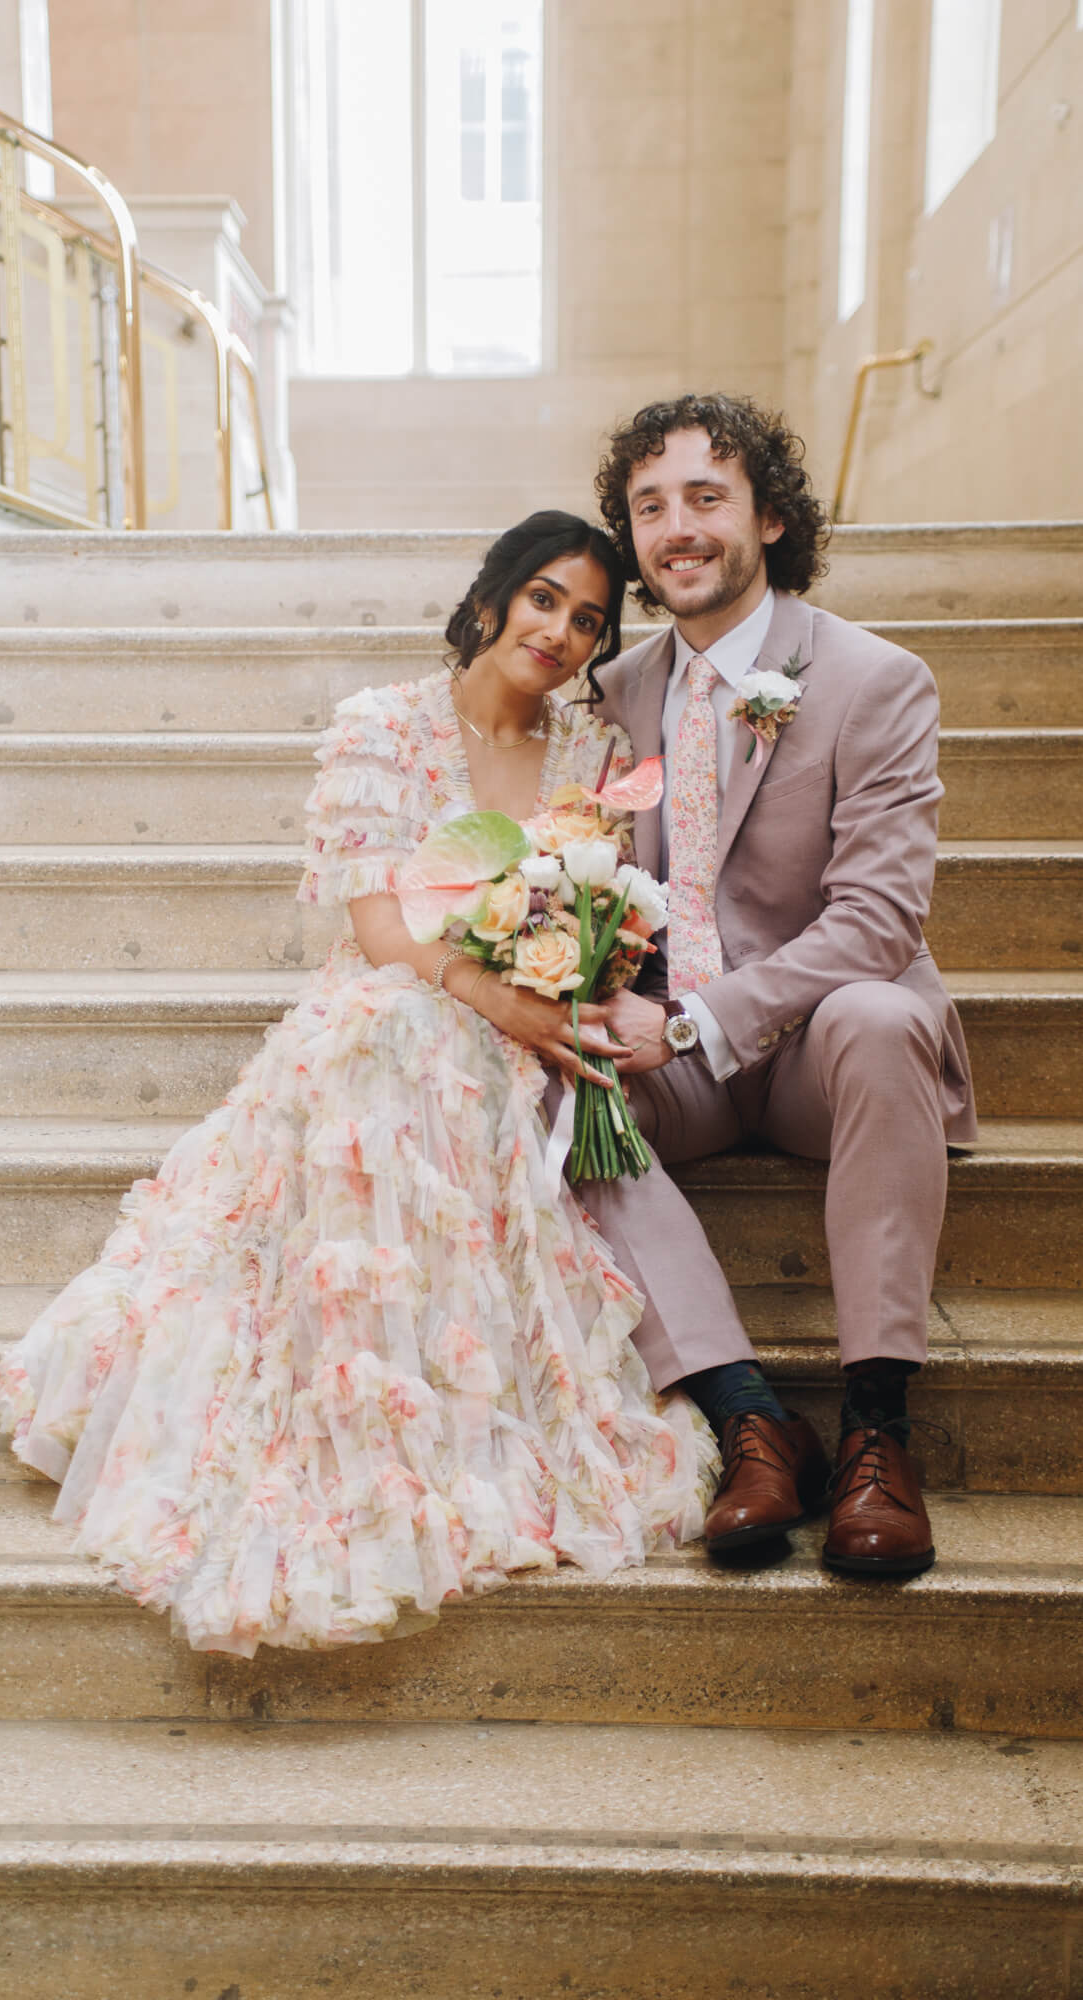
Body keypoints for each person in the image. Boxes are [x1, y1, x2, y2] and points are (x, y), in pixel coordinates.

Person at [0, 511, 717, 1657]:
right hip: (405, 993)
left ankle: (423, 1404)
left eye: (587, 619)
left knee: (414, 1047)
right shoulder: (383, 725)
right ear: (490, 599)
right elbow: (381, 929)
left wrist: (568, 968)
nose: (559, 632)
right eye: (541, 598)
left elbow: (598, 919)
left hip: (517, 1027)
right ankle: (337, 1390)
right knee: (385, 1034)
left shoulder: (590, 752)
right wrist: (501, 997)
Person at [569, 392, 975, 1577]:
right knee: (549, 1072)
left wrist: (699, 1017)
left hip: (815, 1051)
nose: (676, 528)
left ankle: (876, 1431)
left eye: (706, 497)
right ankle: (748, 1415)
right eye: (650, 506)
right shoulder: (609, 694)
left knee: (882, 1011)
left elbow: (879, 921)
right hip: (678, 1060)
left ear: (771, 519)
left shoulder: (872, 679)